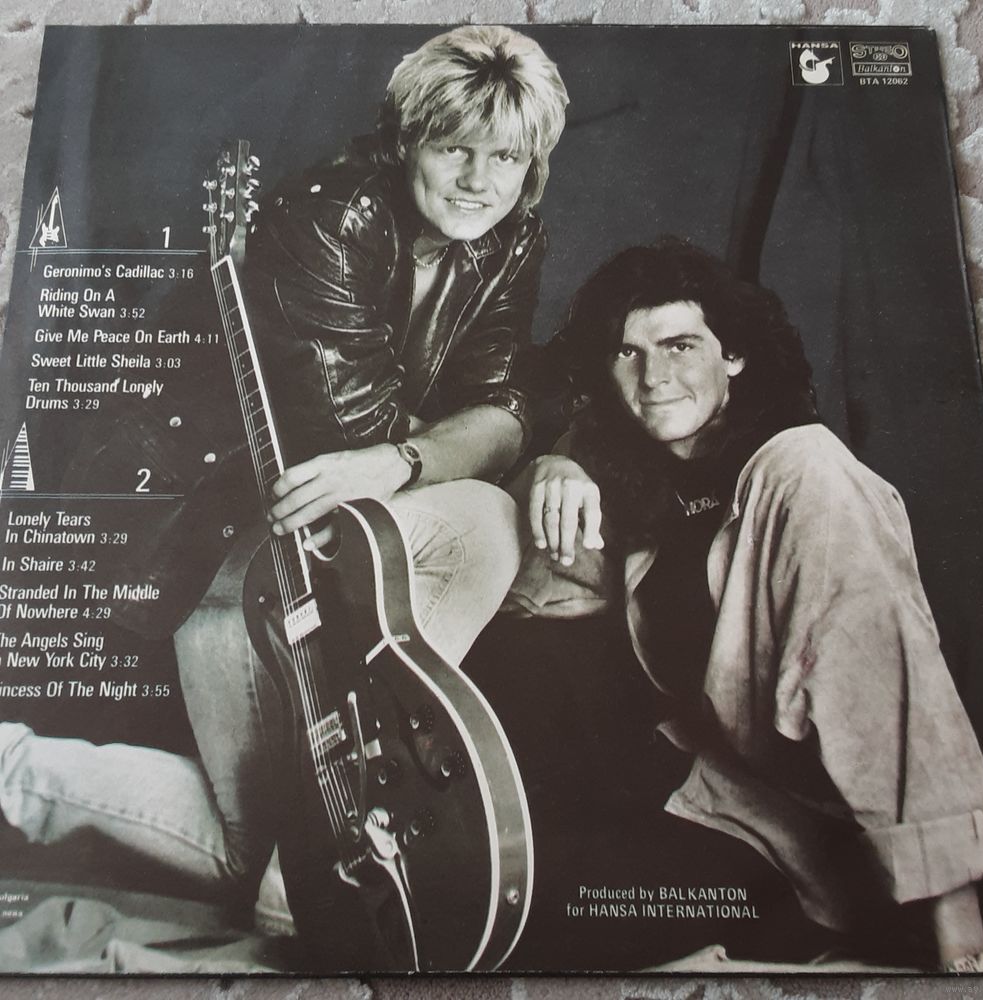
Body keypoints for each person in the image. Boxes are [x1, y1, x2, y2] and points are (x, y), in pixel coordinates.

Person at [0, 23, 568, 952]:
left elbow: (503, 404)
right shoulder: (331, 220)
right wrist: (437, 448)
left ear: (531, 166)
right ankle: (355, 799)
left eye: (505, 156)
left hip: (327, 549)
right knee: (486, 516)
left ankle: (11, 768)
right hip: (230, 547)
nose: (479, 180)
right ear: (405, 142)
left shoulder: (511, 237)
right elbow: (359, 437)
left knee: (254, 854)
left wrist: (410, 459)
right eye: (454, 148)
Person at [491, 237, 983, 971]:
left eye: (680, 346)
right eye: (628, 353)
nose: (654, 377)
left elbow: (878, 650)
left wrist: (956, 915)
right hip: (732, 805)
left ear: (733, 355)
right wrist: (550, 466)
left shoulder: (799, 470)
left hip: (853, 804)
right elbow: (526, 601)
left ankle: (955, 923)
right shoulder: (619, 465)